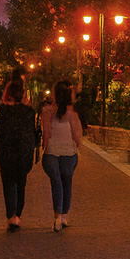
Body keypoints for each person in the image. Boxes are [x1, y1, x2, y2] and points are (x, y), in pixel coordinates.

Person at [0, 77, 39, 231]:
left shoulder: (3, 111)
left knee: (8, 184)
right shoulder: (29, 112)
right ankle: (18, 215)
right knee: (21, 184)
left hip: (7, 152)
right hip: (24, 152)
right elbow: (33, 132)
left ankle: (12, 216)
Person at [40, 80, 83, 232]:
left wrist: (45, 148)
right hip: (69, 154)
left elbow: (46, 134)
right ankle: (63, 215)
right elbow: (78, 136)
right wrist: (76, 147)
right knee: (66, 183)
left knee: (57, 183)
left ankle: (58, 215)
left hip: (52, 152)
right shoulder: (72, 114)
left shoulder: (47, 111)